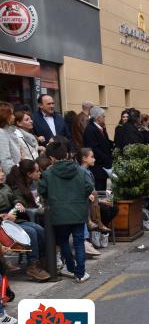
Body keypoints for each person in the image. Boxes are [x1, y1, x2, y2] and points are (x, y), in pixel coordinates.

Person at [39, 142, 94, 282]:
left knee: (63, 241)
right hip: (78, 211)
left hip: (58, 214)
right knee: (79, 242)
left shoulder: (47, 173)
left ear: (51, 158)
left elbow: (42, 191)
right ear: (67, 154)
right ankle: (80, 273)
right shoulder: (80, 170)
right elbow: (89, 186)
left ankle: (70, 267)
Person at [0, 164, 49, 281]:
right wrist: (2, 216)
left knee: (39, 229)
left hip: (13, 220)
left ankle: (43, 260)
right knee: (31, 232)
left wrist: (18, 203)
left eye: (2, 171)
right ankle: (32, 265)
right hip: (2, 225)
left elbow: (14, 199)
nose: (2, 174)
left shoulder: (5, 187)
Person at [83, 107, 113, 191]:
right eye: (103, 116)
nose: (104, 118)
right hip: (97, 167)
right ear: (98, 118)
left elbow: (105, 142)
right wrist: (106, 159)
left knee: (102, 190)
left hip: (103, 166)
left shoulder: (100, 128)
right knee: (99, 190)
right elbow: (94, 148)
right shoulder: (90, 130)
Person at [0, 102, 22, 174]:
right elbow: (5, 159)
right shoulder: (2, 133)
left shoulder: (9, 131)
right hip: (11, 177)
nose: (14, 117)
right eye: (11, 114)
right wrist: (16, 176)